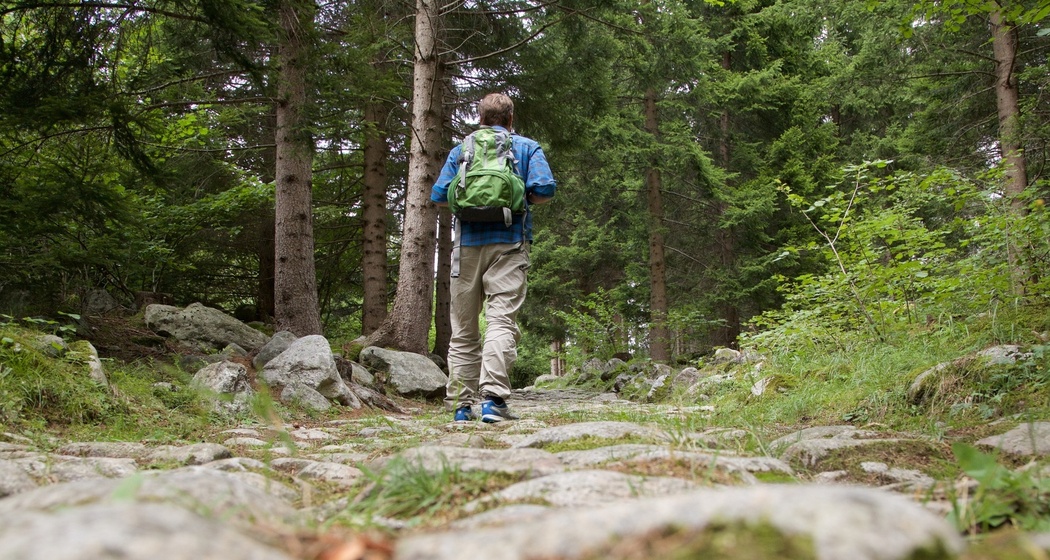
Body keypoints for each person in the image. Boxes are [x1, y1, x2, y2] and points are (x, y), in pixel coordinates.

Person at [431, 93, 556, 422]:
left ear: (480, 117)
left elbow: (439, 196)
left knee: (464, 331)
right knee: (500, 323)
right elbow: (545, 190)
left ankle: (460, 407)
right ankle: (493, 402)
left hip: (467, 248)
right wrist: (518, 200)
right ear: (510, 119)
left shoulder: (462, 151)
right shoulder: (527, 147)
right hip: (510, 244)